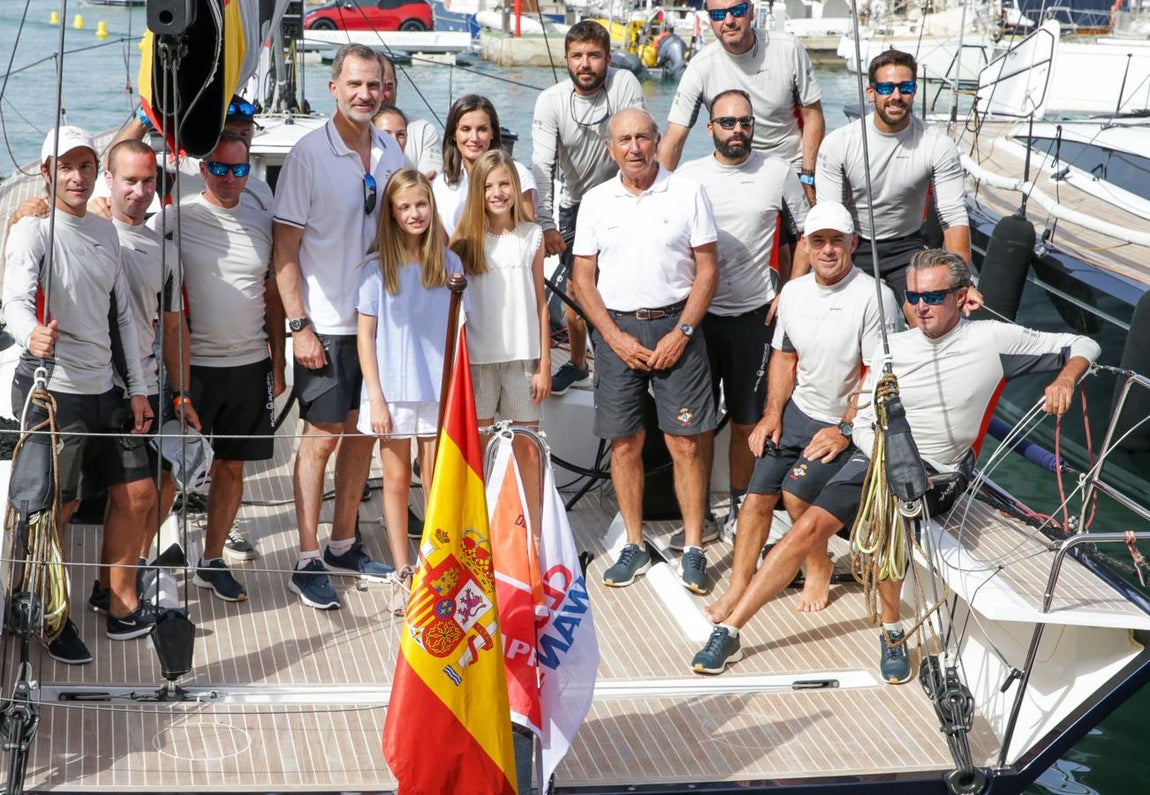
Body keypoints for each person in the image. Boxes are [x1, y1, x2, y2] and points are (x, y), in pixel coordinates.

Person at [689, 249, 1102, 680]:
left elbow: (1085, 343)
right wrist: (889, 457)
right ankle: (731, 632)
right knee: (808, 526)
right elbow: (864, 420)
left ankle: (891, 630)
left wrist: (1064, 378)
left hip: (938, 471)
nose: (921, 306)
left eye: (934, 296)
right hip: (881, 456)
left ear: (962, 297)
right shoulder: (894, 348)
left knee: (891, 518)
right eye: (914, 296)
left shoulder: (993, 341)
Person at [701, 201, 899, 625]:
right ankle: (738, 586)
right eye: (818, 241)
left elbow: (876, 374)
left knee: (796, 493)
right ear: (806, 245)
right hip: (798, 411)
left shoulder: (875, 297)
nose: (827, 250)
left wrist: (846, 429)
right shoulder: (793, 292)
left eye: (837, 242)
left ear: (854, 244)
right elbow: (783, 359)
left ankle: (818, 565)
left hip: (847, 420)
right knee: (754, 500)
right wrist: (772, 414)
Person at [3, 126, 151, 664]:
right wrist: (30, 333)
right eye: (66, 166)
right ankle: (49, 613)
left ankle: (116, 600)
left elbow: (124, 320)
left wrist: (137, 388)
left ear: (98, 174)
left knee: (138, 495)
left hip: (104, 388)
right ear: (46, 174)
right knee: (57, 508)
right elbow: (14, 302)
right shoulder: (32, 231)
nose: (77, 175)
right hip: (52, 390)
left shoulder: (107, 231)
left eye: (86, 165)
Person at [273, 43, 406, 610]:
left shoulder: (390, 149)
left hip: (379, 323)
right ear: (334, 88)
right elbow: (284, 250)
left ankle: (344, 542)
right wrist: (299, 327)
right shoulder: (308, 154)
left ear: (384, 90)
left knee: (361, 437)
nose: (364, 94)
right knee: (321, 438)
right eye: (354, 84)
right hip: (325, 323)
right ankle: (306, 558)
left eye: (373, 86)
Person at [571, 108, 718, 594]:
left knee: (684, 443)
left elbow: (707, 270)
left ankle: (693, 546)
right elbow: (582, 279)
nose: (634, 147)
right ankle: (633, 543)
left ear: (657, 139)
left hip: (677, 327)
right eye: (624, 140)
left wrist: (684, 332)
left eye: (643, 137)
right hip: (617, 333)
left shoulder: (688, 191)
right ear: (611, 148)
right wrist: (613, 338)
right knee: (625, 442)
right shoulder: (595, 201)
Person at [675, 88, 810, 547]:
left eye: (745, 123)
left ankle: (738, 508)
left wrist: (791, 290)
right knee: (696, 421)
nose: (738, 131)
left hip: (755, 316)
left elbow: (804, 236)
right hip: (699, 317)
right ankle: (700, 518)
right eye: (728, 123)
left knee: (748, 423)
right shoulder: (688, 177)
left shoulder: (778, 174)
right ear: (709, 127)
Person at [173, 131, 285, 602]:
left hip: (250, 365)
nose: (228, 178)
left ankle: (212, 559)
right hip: (194, 366)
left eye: (239, 170)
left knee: (232, 466)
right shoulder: (176, 219)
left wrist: (278, 363)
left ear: (248, 174)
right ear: (202, 170)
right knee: (166, 474)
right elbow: (127, 229)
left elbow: (274, 295)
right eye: (218, 168)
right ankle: (142, 561)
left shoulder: (263, 221)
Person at [86, 140, 190, 638]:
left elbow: (171, 325)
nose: (139, 191)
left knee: (162, 485)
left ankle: (114, 580)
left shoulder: (164, 248)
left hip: (144, 385)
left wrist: (181, 391)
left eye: (149, 181)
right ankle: (120, 604)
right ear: (109, 179)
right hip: (96, 384)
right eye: (129, 180)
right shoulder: (90, 228)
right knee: (135, 492)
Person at [357, 169, 462, 597]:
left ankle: (437, 565)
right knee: (397, 482)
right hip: (394, 393)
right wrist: (376, 400)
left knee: (436, 481)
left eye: (421, 204)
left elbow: (459, 332)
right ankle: (404, 572)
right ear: (392, 214)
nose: (415, 213)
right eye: (405, 207)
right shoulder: (376, 269)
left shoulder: (450, 263)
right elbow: (366, 336)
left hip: (437, 393)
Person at [530, 19, 645, 395]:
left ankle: (629, 362)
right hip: (576, 206)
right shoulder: (551, 102)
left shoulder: (624, 84)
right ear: (566, 59)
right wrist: (545, 223)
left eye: (594, 55)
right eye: (577, 55)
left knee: (626, 289)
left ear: (608, 58)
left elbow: (639, 143)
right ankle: (580, 364)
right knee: (577, 295)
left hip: (624, 198)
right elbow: (542, 167)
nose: (585, 63)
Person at [816, 49, 971, 322]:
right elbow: (829, 216)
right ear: (871, 92)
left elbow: (953, 217)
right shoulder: (839, 143)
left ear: (915, 90)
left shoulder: (937, 144)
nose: (896, 96)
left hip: (907, 247)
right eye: (886, 87)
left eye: (905, 87)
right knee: (841, 319)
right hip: (853, 244)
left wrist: (962, 283)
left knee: (928, 318)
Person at [450, 149, 550, 530]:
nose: (498, 192)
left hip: (523, 359)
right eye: (489, 185)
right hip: (478, 360)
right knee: (479, 449)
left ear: (516, 186)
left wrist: (544, 365)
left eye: (504, 183)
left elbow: (541, 302)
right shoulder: (465, 241)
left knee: (528, 446)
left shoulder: (533, 236)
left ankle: (534, 531)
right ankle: (477, 528)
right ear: (478, 191)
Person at [658, 0, 824, 205]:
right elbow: (674, 138)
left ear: (752, 11)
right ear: (709, 20)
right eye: (718, 15)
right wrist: (656, 195)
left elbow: (813, 116)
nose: (728, 21)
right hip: (732, 170)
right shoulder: (699, 67)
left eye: (737, 11)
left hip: (789, 168)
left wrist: (808, 178)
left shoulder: (788, 49)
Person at [433, 94, 536, 237]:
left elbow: (529, 237)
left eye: (482, 129)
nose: (474, 138)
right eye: (465, 129)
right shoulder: (441, 185)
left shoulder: (518, 174)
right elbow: (441, 248)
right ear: (453, 134)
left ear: (493, 132)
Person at [377, 53, 443, 180]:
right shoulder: (350, 135)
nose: (382, 95)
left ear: (396, 85)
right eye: (374, 86)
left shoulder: (423, 131)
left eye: (388, 87)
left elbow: (430, 187)